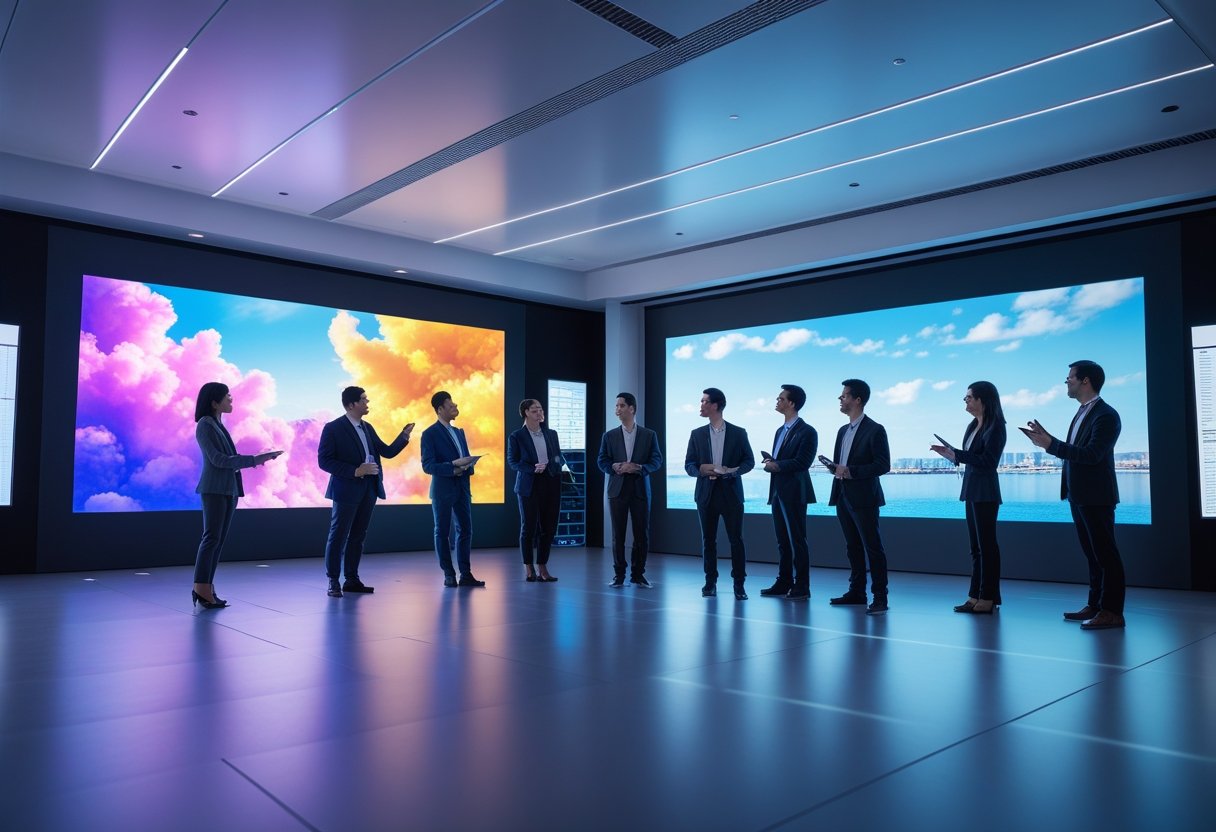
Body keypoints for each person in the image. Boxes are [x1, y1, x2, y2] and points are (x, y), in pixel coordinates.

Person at [1022, 360, 1125, 630]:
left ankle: (1112, 611)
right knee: (1092, 554)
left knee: (1105, 554)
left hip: (1097, 495)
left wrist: (1051, 444)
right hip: (1079, 495)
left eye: (1070, 378)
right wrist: (1048, 439)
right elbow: (1075, 450)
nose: (1066, 381)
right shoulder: (1082, 412)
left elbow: (1092, 455)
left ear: (1086, 381)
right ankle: (1096, 604)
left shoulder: (1106, 415)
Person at [192, 382, 282, 608]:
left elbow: (226, 459)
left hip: (228, 489)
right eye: (227, 397)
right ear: (214, 402)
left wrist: (257, 458)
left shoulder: (217, 424)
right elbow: (218, 460)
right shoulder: (205, 425)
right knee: (211, 538)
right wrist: (255, 460)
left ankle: (207, 587)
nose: (231, 400)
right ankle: (201, 588)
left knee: (217, 540)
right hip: (214, 489)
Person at [317, 386, 413, 597]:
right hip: (346, 489)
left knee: (358, 536)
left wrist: (403, 436)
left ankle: (352, 579)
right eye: (363, 400)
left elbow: (386, 452)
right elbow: (324, 461)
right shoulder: (333, 428)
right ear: (351, 404)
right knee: (339, 535)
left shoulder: (367, 427)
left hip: (369, 489)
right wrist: (355, 471)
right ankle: (333, 580)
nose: (367, 403)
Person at [930, 381, 1007, 614]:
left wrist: (959, 454)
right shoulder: (972, 426)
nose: (966, 401)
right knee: (976, 547)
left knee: (987, 546)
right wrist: (952, 455)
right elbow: (970, 457)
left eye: (969, 397)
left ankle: (988, 597)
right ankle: (975, 595)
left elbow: (988, 461)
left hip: (985, 492)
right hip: (971, 489)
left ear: (983, 399)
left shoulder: (996, 427)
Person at [826, 379, 892, 615]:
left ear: (857, 400)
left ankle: (880, 597)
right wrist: (836, 468)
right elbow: (842, 465)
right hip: (843, 494)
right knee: (852, 547)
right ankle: (857, 592)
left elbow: (883, 465)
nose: (840, 399)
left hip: (864, 497)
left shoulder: (875, 429)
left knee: (873, 548)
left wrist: (851, 471)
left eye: (844, 395)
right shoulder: (842, 430)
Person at [684, 387, 754, 599]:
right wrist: (701, 471)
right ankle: (710, 583)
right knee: (708, 541)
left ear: (715, 405)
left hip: (731, 493)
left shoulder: (739, 433)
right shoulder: (696, 434)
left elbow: (748, 461)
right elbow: (689, 465)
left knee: (736, 540)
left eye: (704, 401)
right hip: (706, 495)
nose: (701, 405)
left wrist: (732, 472)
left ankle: (739, 585)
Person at [596, 392, 663, 588]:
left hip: (640, 489)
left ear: (632, 408)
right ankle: (619, 576)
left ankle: (638, 574)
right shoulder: (609, 436)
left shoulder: (649, 435)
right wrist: (615, 466)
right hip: (617, 490)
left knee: (641, 534)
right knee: (618, 535)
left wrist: (640, 468)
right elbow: (602, 461)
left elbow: (657, 460)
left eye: (621, 406)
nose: (617, 409)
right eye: (616, 406)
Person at [759, 385, 818, 601]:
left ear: (791, 403)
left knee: (797, 540)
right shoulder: (779, 431)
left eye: (780, 398)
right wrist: (772, 462)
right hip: (777, 491)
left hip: (794, 491)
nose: (777, 400)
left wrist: (776, 466)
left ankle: (802, 585)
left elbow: (803, 462)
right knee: (782, 540)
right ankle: (784, 582)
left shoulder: (808, 431)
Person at [420, 391, 483, 588]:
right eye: (451, 405)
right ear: (439, 409)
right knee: (442, 532)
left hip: (463, 488)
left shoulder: (459, 432)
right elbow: (428, 466)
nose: (456, 407)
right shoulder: (429, 434)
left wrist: (468, 464)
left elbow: (464, 456)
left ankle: (466, 574)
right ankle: (448, 574)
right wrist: (453, 467)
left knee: (465, 530)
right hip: (443, 489)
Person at [507, 399, 564, 582]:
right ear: (525, 413)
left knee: (548, 528)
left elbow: (559, 457)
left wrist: (553, 465)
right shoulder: (517, 436)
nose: (539, 413)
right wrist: (533, 468)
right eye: (534, 410)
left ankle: (543, 566)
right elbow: (513, 461)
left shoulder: (551, 434)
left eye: (541, 409)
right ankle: (528, 566)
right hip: (529, 485)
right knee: (529, 527)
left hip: (551, 483)